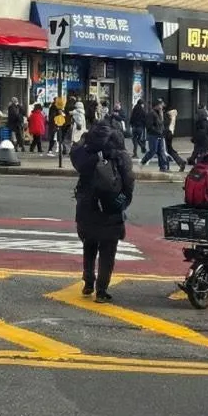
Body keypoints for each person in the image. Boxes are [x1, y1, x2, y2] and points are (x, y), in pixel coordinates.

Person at [70, 121, 135, 303]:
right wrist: (119, 203)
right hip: (110, 209)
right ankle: (102, 290)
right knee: (108, 251)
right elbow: (128, 184)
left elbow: (77, 159)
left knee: (89, 245)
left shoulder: (87, 154)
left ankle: (88, 282)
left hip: (86, 207)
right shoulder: (120, 156)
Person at [139, 99, 170, 172]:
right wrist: (158, 131)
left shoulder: (159, 113)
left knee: (161, 151)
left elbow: (161, 124)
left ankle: (163, 167)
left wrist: (162, 132)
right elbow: (149, 126)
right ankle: (142, 162)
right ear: (157, 105)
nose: (162, 106)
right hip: (153, 135)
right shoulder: (151, 113)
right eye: (161, 104)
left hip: (160, 135)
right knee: (153, 151)